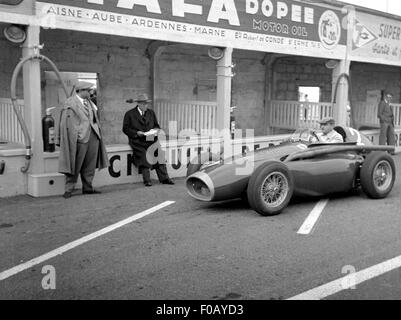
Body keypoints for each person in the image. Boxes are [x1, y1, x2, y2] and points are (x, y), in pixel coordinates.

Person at [55, 81, 109, 198]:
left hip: (93, 137)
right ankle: (69, 189)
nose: (91, 92)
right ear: (82, 91)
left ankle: (88, 187)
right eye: (89, 90)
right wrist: (76, 135)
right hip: (79, 139)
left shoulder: (89, 102)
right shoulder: (70, 103)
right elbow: (65, 123)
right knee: (74, 164)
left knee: (90, 165)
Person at [122, 93, 174, 187]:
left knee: (160, 155)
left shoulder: (151, 112)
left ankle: (165, 178)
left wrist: (155, 130)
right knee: (143, 156)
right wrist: (136, 133)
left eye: (147, 104)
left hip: (151, 139)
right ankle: (147, 180)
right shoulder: (129, 114)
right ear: (139, 104)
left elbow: (156, 126)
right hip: (138, 140)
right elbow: (125, 129)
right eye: (144, 104)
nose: (146, 106)